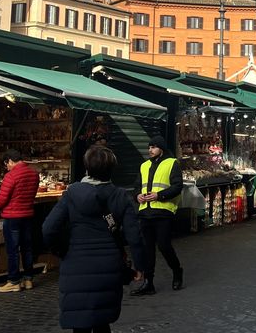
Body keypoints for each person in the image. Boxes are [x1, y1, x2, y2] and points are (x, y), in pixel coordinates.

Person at [42, 146, 145, 333]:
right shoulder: (121, 196)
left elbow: (48, 228)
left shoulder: (71, 194)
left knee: (79, 325)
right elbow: (134, 235)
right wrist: (140, 266)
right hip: (109, 265)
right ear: (112, 169)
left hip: (75, 264)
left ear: (87, 168)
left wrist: (60, 251)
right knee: (102, 322)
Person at [131, 135, 184, 296]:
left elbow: (177, 186)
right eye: (149, 147)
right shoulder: (144, 166)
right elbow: (136, 187)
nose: (150, 150)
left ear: (161, 148)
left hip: (163, 212)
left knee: (164, 246)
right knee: (148, 249)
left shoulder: (172, 163)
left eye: (153, 147)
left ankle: (177, 271)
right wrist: (137, 196)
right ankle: (149, 283)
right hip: (145, 212)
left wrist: (159, 196)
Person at [0, 148, 40, 292]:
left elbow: (1, 201)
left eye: (6, 164)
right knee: (27, 248)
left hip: (12, 217)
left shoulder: (11, 176)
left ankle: (13, 281)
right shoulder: (34, 174)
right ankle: (28, 279)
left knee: (13, 250)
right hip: (27, 215)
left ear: (10, 161)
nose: (6, 167)